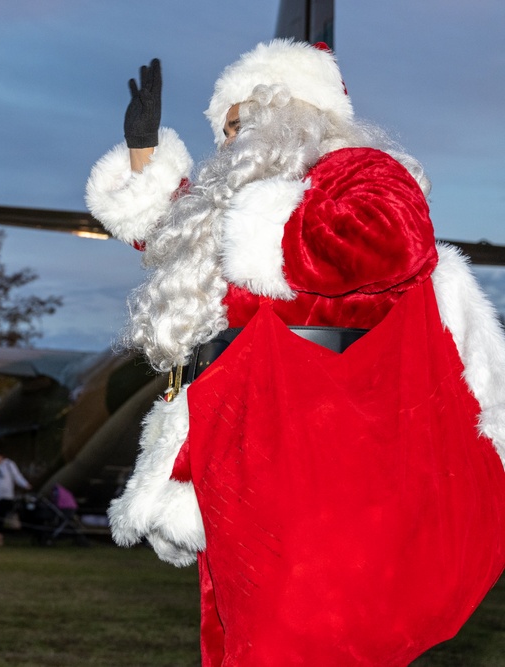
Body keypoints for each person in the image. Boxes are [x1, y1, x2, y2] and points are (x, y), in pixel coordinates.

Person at [88, 41, 505, 665]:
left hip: (319, 439)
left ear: (289, 111)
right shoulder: (255, 190)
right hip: (241, 430)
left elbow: (390, 238)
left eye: (238, 123)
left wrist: (267, 234)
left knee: (300, 629)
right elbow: (189, 241)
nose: (228, 142)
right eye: (224, 128)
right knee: (239, 626)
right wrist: (145, 162)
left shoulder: (356, 167)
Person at [0, 451, 30, 548]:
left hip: (5, 496)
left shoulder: (9, 465)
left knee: (1, 514)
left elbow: (17, 476)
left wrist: (25, 484)